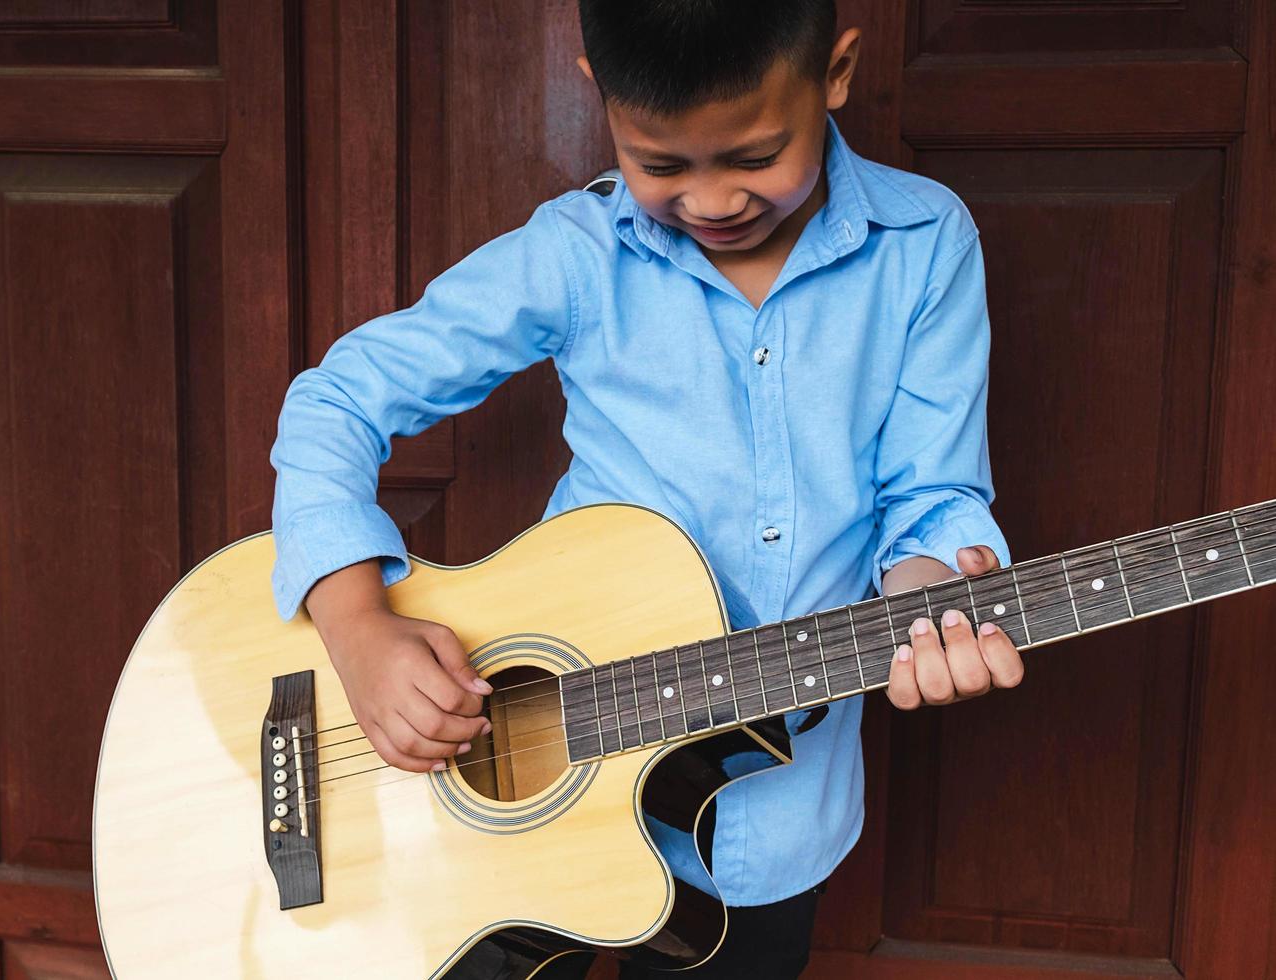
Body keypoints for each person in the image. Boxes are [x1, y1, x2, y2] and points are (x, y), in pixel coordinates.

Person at [269, 1, 1026, 976]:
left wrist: (929, 598)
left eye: (754, 157)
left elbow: (932, 494)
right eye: (661, 164)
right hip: (511, 789)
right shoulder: (577, 253)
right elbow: (336, 399)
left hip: (768, 829)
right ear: (600, 96)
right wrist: (355, 624)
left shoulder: (924, 243)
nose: (712, 201)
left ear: (835, 73)